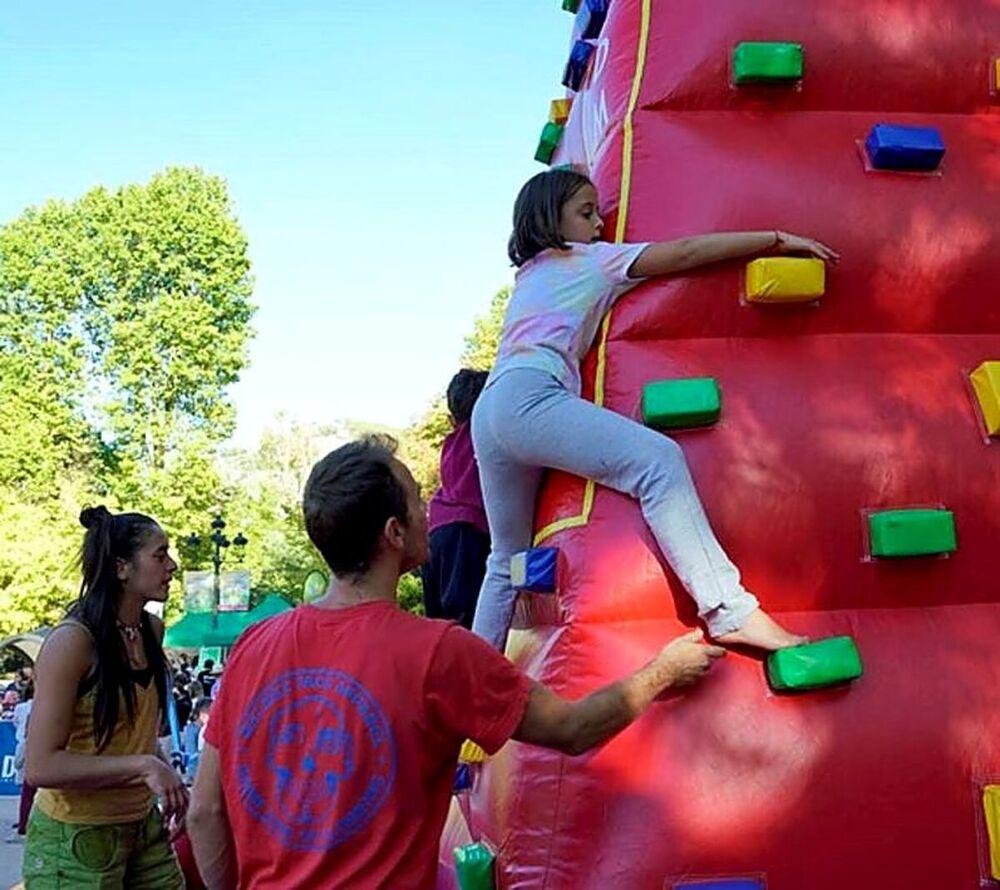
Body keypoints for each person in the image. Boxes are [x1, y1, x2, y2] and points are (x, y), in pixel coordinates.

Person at [187, 436, 724, 889]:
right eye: (419, 499)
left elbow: (205, 813)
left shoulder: (253, 647)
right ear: (393, 534)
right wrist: (664, 671)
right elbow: (574, 728)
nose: (432, 508)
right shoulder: (439, 652)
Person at [471, 168, 840, 653]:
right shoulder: (591, 261)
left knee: (503, 559)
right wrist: (774, 238)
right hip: (531, 396)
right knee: (658, 462)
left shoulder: (529, 274)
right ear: (551, 216)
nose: (600, 225)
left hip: (491, 409)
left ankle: (470, 677)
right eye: (586, 214)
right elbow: (684, 254)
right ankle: (729, 609)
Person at [24, 506, 187, 889]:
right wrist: (146, 767)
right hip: (72, 841)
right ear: (121, 568)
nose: (173, 566)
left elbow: (130, 736)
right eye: (160, 555)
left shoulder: (151, 629)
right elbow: (40, 766)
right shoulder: (72, 642)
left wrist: (168, 780)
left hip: (142, 827)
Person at [421, 368, 491, 628]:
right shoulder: (485, 433)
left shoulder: (452, 446)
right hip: (467, 531)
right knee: (468, 617)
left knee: (440, 619)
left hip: (438, 529)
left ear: (452, 419)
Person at [12, 681, 35, 835]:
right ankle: (26, 822)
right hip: (35, 745)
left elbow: (15, 723)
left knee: (25, 793)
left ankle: (23, 822)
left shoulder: (21, 708)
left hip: (25, 745)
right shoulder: (41, 707)